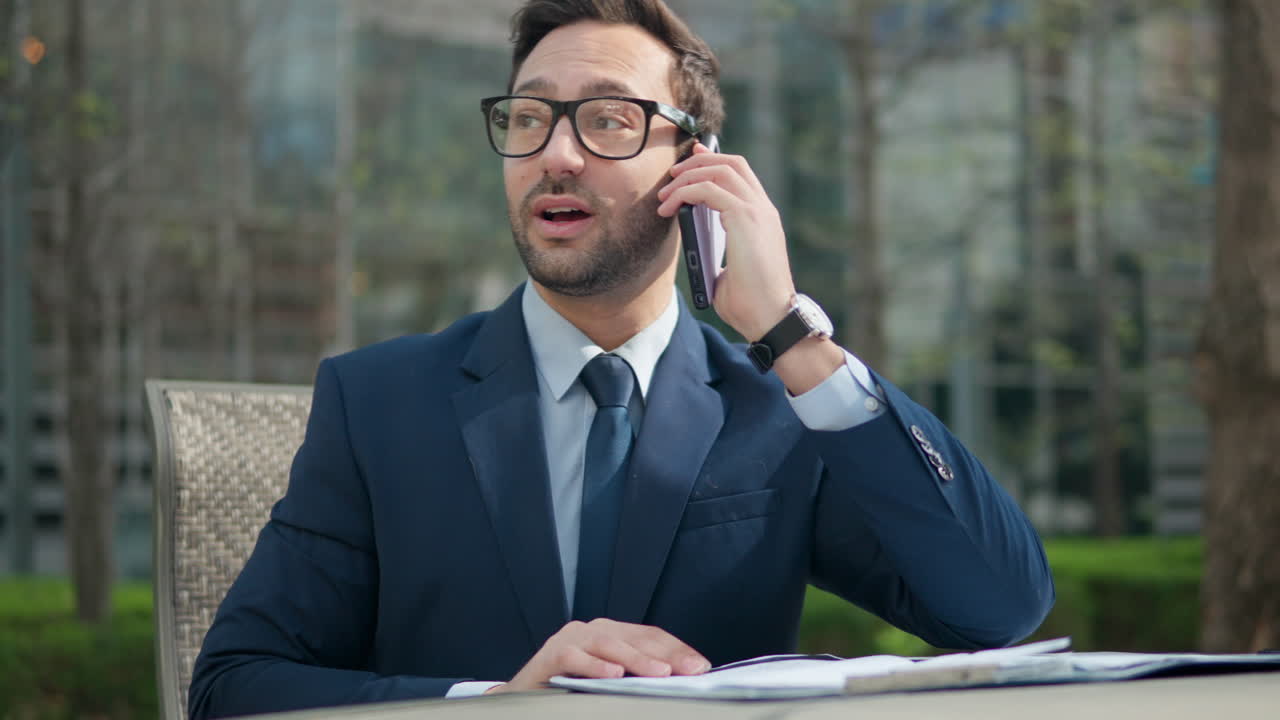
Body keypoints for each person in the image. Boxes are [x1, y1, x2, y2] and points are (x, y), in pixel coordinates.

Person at [188, 1, 1054, 717]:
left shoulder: (778, 408)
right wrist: (497, 701)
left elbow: (995, 609)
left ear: (695, 168)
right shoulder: (376, 401)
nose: (555, 155)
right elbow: (236, 686)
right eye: (528, 118)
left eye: (607, 120)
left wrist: (791, 333)